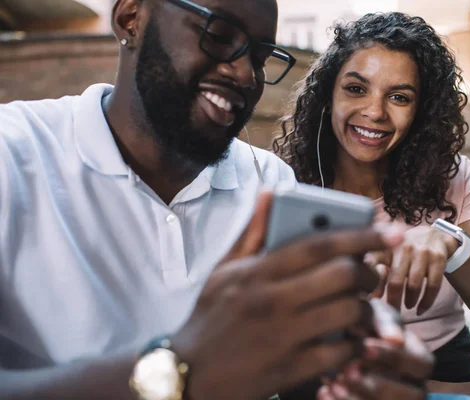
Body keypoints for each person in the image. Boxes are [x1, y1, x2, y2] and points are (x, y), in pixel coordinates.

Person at [0, 1, 439, 399]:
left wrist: (346, 364)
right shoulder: (12, 156)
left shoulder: (270, 183)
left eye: (261, 56)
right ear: (130, 17)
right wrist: (176, 374)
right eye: (219, 34)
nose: (247, 74)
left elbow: (295, 379)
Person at [274, 12, 470, 400]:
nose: (376, 112)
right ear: (329, 95)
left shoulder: (453, 176)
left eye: (399, 97)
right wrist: (448, 393)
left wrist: (452, 246)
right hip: (340, 384)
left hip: (455, 360)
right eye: (356, 89)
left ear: (421, 111)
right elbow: (292, 361)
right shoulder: (286, 189)